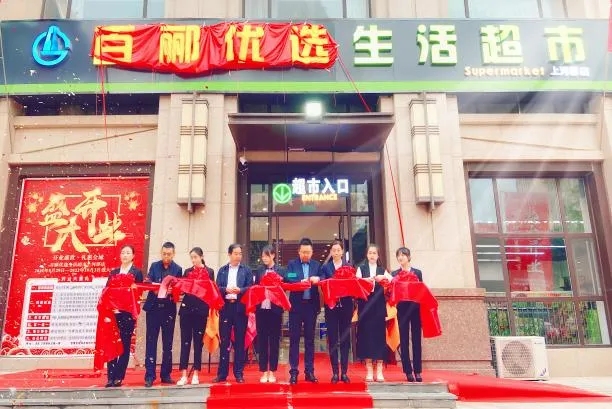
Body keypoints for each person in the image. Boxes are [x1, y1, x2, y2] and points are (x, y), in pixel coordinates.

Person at [143, 241, 182, 388]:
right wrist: (153, 287)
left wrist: (173, 291)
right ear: (161, 253)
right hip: (153, 309)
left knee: (167, 343)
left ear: (173, 254)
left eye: (169, 254)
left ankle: (166, 374)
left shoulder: (177, 269)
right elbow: (148, 282)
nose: (166, 256)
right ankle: (149, 376)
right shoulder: (154, 266)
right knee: (151, 342)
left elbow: (179, 288)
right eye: (164, 254)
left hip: (168, 310)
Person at [212, 243, 253, 383]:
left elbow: (250, 287)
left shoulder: (246, 270)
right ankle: (222, 374)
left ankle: (239, 373)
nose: (238, 256)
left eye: (240, 253)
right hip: (226, 308)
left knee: (240, 342)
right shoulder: (222, 270)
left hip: (240, 308)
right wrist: (226, 290)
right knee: (224, 341)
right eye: (236, 253)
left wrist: (240, 290)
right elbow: (217, 287)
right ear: (229, 254)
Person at [104, 245, 144, 388]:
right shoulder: (114, 272)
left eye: (128, 253)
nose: (125, 255)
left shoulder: (136, 272)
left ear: (133, 256)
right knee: (112, 343)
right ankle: (110, 377)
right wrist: (112, 307)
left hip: (127, 313)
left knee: (124, 344)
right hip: (114, 313)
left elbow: (138, 293)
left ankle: (119, 377)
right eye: (123, 253)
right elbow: (107, 291)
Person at [284, 237, 322, 385]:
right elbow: (288, 276)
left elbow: (323, 277)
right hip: (296, 307)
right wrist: (301, 280)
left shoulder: (316, 265)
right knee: (294, 339)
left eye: (308, 252)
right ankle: (294, 372)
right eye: (303, 252)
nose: (306, 255)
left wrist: (317, 278)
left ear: (312, 252)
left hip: (311, 307)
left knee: (310, 340)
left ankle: (309, 371)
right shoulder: (292, 264)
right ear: (299, 252)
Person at [176, 247, 215, 386]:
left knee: (198, 343)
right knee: (185, 342)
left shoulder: (209, 272)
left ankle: (196, 373)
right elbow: (182, 290)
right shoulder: (187, 272)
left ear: (201, 257)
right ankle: (183, 374)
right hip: (186, 310)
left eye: (195, 257)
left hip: (201, 311)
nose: (193, 260)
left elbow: (211, 291)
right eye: (191, 257)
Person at [356, 244, 392, 382]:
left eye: (374, 253)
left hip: (378, 307)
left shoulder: (382, 270)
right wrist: (364, 281)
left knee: (379, 337)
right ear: (367, 255)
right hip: (365, 306)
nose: (372, 255)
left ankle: (380, 369)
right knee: (366, 337)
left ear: (378, 256)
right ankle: (369, 369)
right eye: (370, 253)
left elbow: (393, 282)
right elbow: (356, 284)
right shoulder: (361, 269)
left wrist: (383, 278)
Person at [321, 239, 353, 384]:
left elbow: (353, 284)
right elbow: (323, 283)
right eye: (333, 250)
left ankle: (344, 372)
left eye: (338, 250)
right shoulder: (326, 268)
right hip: (331, 307)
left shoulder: (348, 267)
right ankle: (335, 372)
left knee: (345, 338)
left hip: (346, 306)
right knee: (333, 339)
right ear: (331, 252)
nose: (336, 252)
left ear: (342, 252)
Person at [391, 247, 423, 383]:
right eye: (398, 255)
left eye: (403, 255)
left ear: (409, 257)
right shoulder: (395, 274)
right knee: (403, 340)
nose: (401, 257)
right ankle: (408, 371)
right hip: (402, 308)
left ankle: (418, 370)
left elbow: (421, 290)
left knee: (416, 340)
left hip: (415, 308)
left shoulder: (417, 272)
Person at [253, 245, 284, 383]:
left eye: (266, 255)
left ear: (273, 255)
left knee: (274, 341)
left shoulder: (281, 270)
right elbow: (255, 287)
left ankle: (272, 371)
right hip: (261, 310)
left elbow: (287, 284)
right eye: (262, 256)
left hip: (275, 310)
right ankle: (264, 371)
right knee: (262, 341)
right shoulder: (259, 270)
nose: (264, 258)